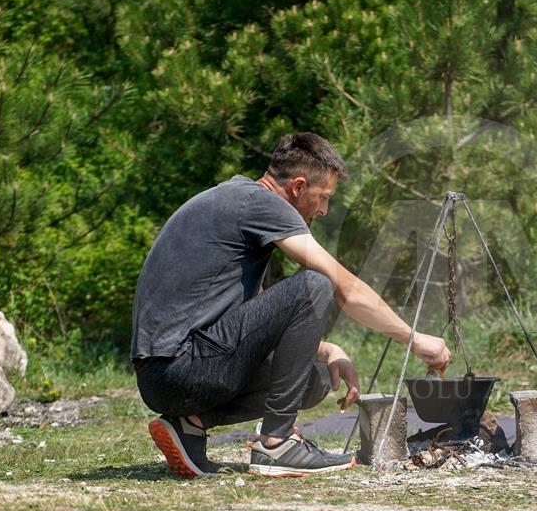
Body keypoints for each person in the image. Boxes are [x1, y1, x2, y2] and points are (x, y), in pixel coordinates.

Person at [131, 132, 450, 478]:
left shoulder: (237, 204)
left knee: (314, 381)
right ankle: (277, 444)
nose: (325, 209)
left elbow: (254, 325)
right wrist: (414, 339)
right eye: (323, 197)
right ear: (298, 186)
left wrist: (327, 349)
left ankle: (190, 425)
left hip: (163, 378)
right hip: (183, 368)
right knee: (316, 283)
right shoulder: (263, 205)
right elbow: (346, 289)